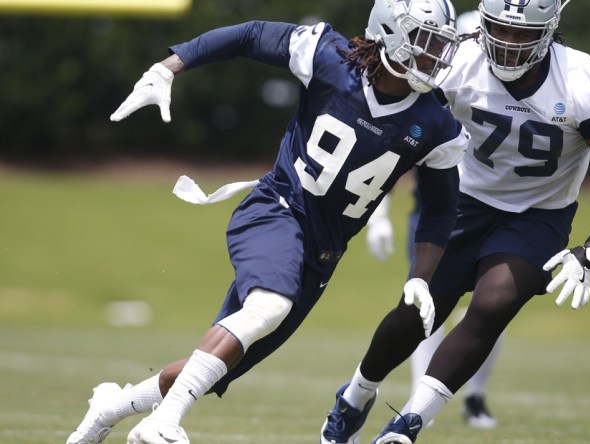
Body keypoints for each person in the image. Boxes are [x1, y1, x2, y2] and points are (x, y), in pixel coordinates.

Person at [66, 0, 470, 443]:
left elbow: (438, 209)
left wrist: (420, 278)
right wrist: (169, 66)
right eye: (425, 42)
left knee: (218, 367)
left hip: (322, 254)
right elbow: (249, 35)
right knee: (269, 307)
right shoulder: (327, 57)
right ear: (389, 33)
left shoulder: (435, 124)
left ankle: (111, 406)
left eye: (440, 46)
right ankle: (163, 423)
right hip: (277, 209)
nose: (434, 56)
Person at [322, 0, 590, 442]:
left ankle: (407, 425)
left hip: (539, 214)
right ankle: (355, 398)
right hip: (459, 202)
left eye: (523, 35)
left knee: (495, 303)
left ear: (549, 30)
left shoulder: (581, 81)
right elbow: (404, 131)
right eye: (501, 30)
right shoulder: (456, 60)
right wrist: (378, 205)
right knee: (417, 314)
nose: (510, 45)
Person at [366, 186, 502, 430]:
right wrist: (379, 216)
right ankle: (419, 400)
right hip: (434, 216)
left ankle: (475, 397)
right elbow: (400, 156)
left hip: (497, 212)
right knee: (425, 305)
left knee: (492, 304)